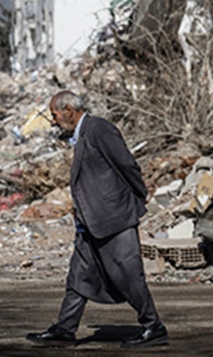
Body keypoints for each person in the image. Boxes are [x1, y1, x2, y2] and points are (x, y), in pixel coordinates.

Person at [25, 91, 168, 348]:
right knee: (78, 277)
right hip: (91, 222)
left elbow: (126, 165)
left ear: (69, 109)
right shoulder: (82, 135)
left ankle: (153, 326)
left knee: (128, 274)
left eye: (55, 115)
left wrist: (137, 198)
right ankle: (65, 329)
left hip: (115, 218)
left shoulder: (99, 129)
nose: (53, 121)